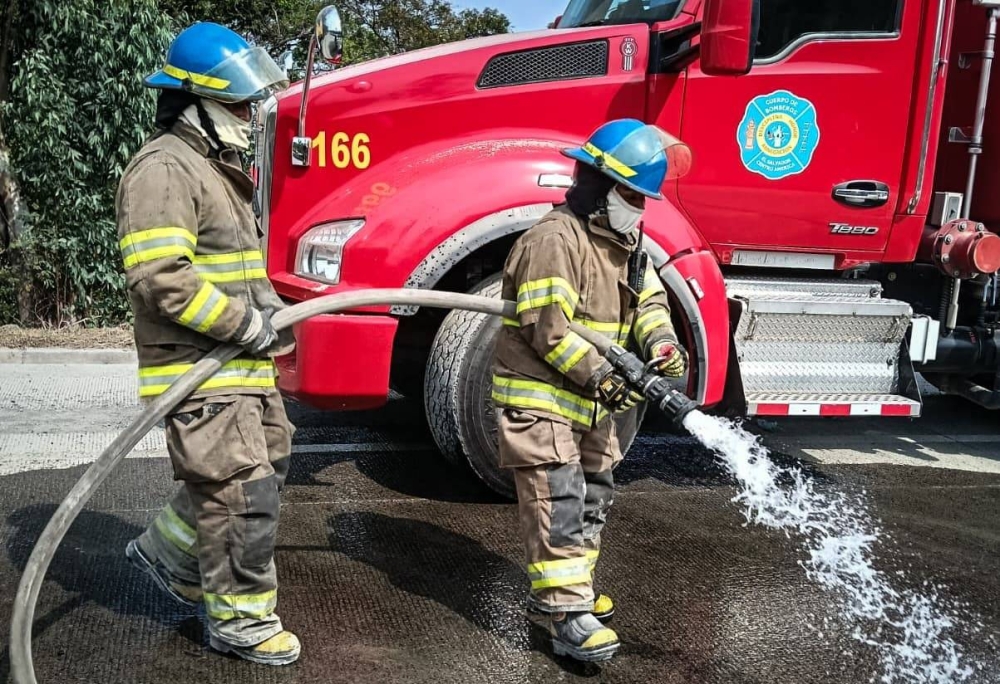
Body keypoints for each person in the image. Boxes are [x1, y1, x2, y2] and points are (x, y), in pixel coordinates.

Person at [116, 22, 299, 665]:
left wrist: (275, 317)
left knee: (266, 465)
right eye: (239, 105)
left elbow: (240, 275)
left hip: (239, 366)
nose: (251, 117)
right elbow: (162, 279)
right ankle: (242, 621)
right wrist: (244, 326)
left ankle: (167, 555)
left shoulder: (216, 172)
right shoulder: (164, 168)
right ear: (194, 102)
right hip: (200, 370)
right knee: (240, 493)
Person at [492, 119, 690, 663]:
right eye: (631, 195)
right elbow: (546, 327)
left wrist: (663, 347)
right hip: (543, 397)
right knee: (558, 501)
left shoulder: (628, 241)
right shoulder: (555, 239)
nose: (639, 207)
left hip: (593, 404)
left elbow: (648, 303)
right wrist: (602, 379)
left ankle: (567, 592)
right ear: (599, 185)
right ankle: (567, 618)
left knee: (592, 497)